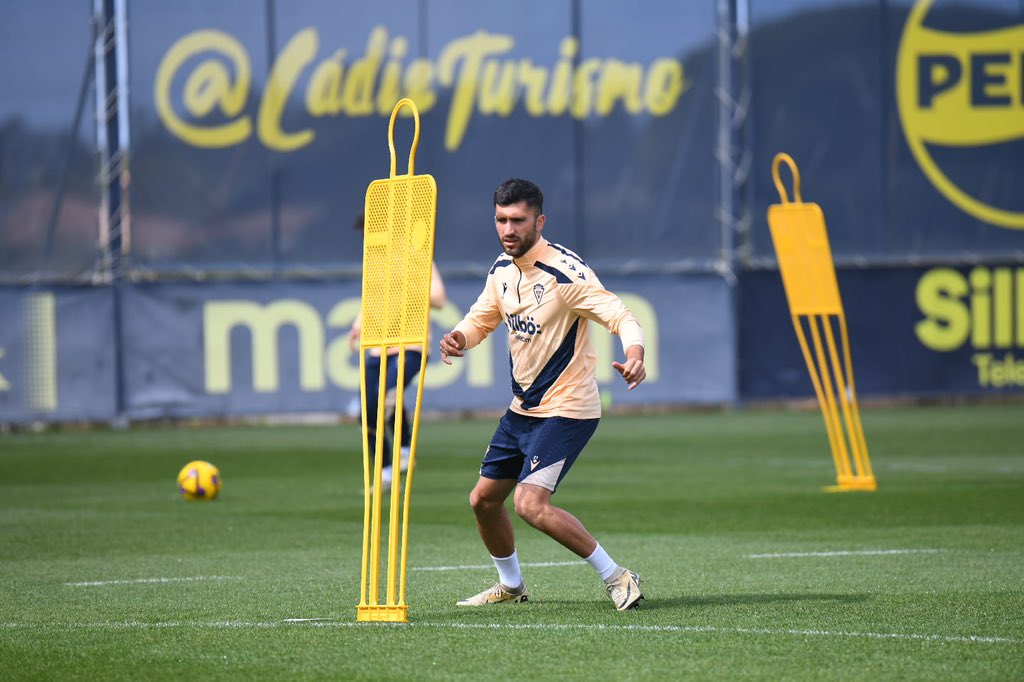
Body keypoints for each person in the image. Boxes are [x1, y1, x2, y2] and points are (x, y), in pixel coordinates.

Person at [439, 178, 647, 611]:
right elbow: (481, 318)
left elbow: (620, 315)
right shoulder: (501, 269)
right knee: (482, 500)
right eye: (501, 219)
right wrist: (459, 336)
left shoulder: (566, 274)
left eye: (518, 220)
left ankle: (618, 576)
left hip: (569, 408)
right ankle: (512, 586)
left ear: (540, 220)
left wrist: (635, 352)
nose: (508, 229)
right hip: (524, 409)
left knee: (529, 504)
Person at [349, 213, 447, 489]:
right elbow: (372, 299)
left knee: (388, 398)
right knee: (366, 412)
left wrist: (408, 281)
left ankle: (403, 450)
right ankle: (384, 470)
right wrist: (358, 324)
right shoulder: (376, 262)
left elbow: (439, 298)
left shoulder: (417, 257)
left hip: (411, 343)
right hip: (377, 345)